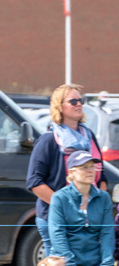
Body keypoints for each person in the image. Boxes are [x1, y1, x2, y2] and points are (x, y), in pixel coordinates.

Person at [26, 83, 108, 257]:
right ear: (59, 106)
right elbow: (35, 182)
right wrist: (65, 208)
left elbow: (102, 177)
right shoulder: (48, 140)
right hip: (57, 218)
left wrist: (97, 205)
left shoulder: (89, 136)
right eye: (73, 101)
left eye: (81, 100)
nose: (79, 104)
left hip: (88, 218)